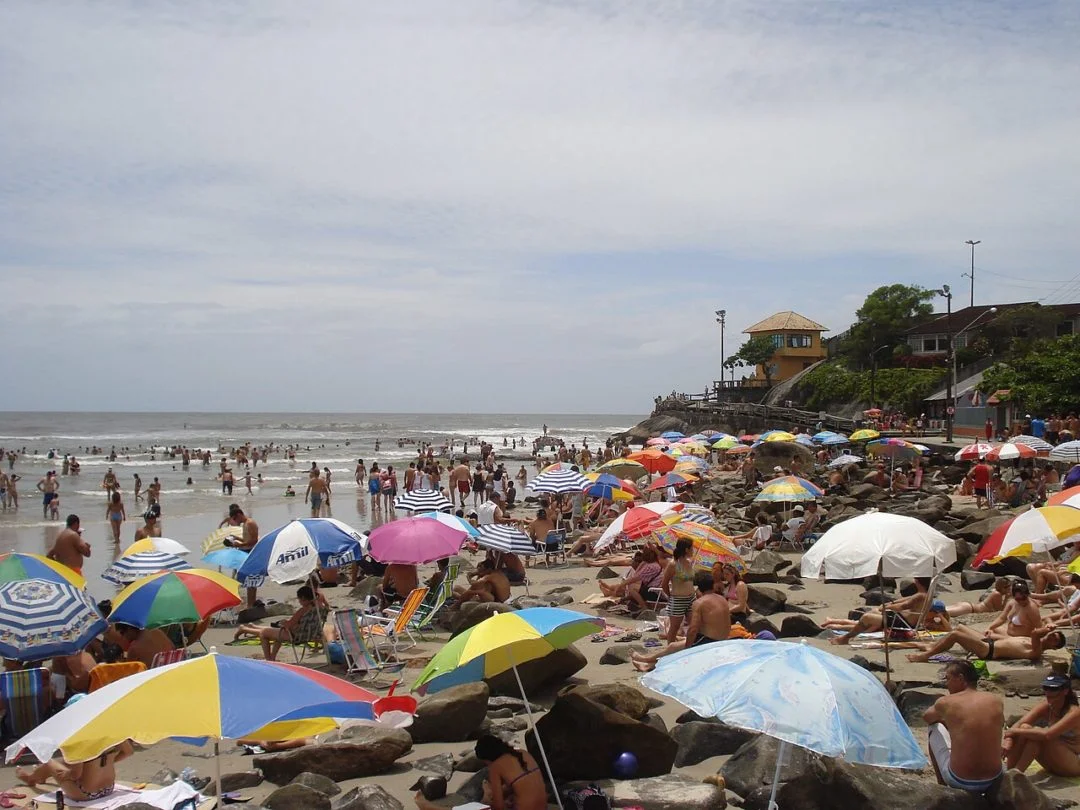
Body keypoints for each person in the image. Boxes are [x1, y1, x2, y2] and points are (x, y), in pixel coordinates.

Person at [922, 661, 1005, 793]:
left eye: (948, 679)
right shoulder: (995, 700)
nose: (946, 684)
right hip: (994, 778)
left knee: (934, 726)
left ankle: (942, 787)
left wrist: (946, 720)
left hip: (961, 780)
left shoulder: (946, 702)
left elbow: (927, 717)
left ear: (960, 678)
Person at [413, 734, 545, 810]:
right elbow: (523, 785)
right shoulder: (523, 753)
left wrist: (489, 795)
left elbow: (498, 808)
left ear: (488, 758)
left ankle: (427, 806)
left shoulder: (496, 767)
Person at [632, 572, 731, 672]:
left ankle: (647, 660)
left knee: (673, 647)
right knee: (678, 644)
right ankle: (649, 665)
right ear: (712, 585)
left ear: (698, 587)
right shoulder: (722, 599)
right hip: (722, 638)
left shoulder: (700, 603)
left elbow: (693, 629)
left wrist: (687, 648)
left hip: (709, 640)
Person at [1004, 673, 1080, 776]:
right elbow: (1020, 723)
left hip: (1073, 762)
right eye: (1046, 688)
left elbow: (1047, 735)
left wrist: (1011, 731)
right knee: (1025, 728)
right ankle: (1011, 772)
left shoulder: (1074, 712)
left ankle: (1016, 775)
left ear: (1065, 691)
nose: (1048, 692)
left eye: (1053, 689)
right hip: (1052, 760)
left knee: (1037, 734)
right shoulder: (1046, 705)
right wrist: (1008, 741)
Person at [17, 740, 135, 802]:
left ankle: (30, 779)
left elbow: (75, 775)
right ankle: (41, 776)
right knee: (64, 762)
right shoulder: (113, 735)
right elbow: (128, 752)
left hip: (85, 794)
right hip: (108, 789)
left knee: (49, 762)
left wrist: (67, 773)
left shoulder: (81, 741)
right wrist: (109, 761)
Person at [825, 576, 932, 644]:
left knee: (867, 617)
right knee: (875, 612)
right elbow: (903, 601)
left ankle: (846, 638)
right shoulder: (926, 595)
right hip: (903, 619)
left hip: (903, 622)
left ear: (917, 582)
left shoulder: (920, 596)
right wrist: (890, 604)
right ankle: (840, 626)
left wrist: (887, 607)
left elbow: (902, 606)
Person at [233, 586, 324, 661]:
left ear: (303, 598)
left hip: (295, 636)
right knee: (277, 635)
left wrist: (284, 622)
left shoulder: (302, 611)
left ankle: (269, 659)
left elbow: (289, 625)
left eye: (299, 599)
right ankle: (272, 657)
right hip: (310, 634)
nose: (299, 602)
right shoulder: (319, 608)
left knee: (263, 633)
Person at [906, 623, 1065, 663]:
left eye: (1053, 640)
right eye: (1052, 635)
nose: (1050, 637)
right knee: (960, 627)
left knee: (955, 635)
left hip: (988, 651)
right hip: (990, 642)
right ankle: (933, 647)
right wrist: (993, 634)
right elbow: (1008, 641)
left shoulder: (1037, 651)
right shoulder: (1032, 641)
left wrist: (1048, 627)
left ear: (1053, 647)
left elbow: (1035, 633)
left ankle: (926, 655)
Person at [660, 538, 696, 645]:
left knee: (694, 625)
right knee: (674, 627)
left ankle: (690, 646)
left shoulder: (689, 563)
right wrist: (670, 596)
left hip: (691, 598)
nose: (693, 550)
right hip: (678, 599)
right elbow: (664, 583)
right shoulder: (673, 564)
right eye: (691, 548)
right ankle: (669, 650)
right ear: (686, 549)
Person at [225, 504, 260, 607]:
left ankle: (251, 605)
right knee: (249, 582)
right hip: (246, 551)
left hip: (251, 552)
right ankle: (251, 604)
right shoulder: (245, 524)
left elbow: (254, 540)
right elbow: (247, 540)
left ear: (239, 514)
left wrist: (240, 544)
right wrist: (236, 538)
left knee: (251, 581)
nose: (236, 521)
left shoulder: (250, 523)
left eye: (235, 518)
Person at [945, 578, 1011, 617]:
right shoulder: (997, 594)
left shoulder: (995, 592)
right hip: (970, 609)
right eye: (1008, 587)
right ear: (1004, 587)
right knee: (944, 612)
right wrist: (1007, 598)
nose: (1010, 589)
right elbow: (1000, 610)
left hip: (969, 606)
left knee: (943, 609)